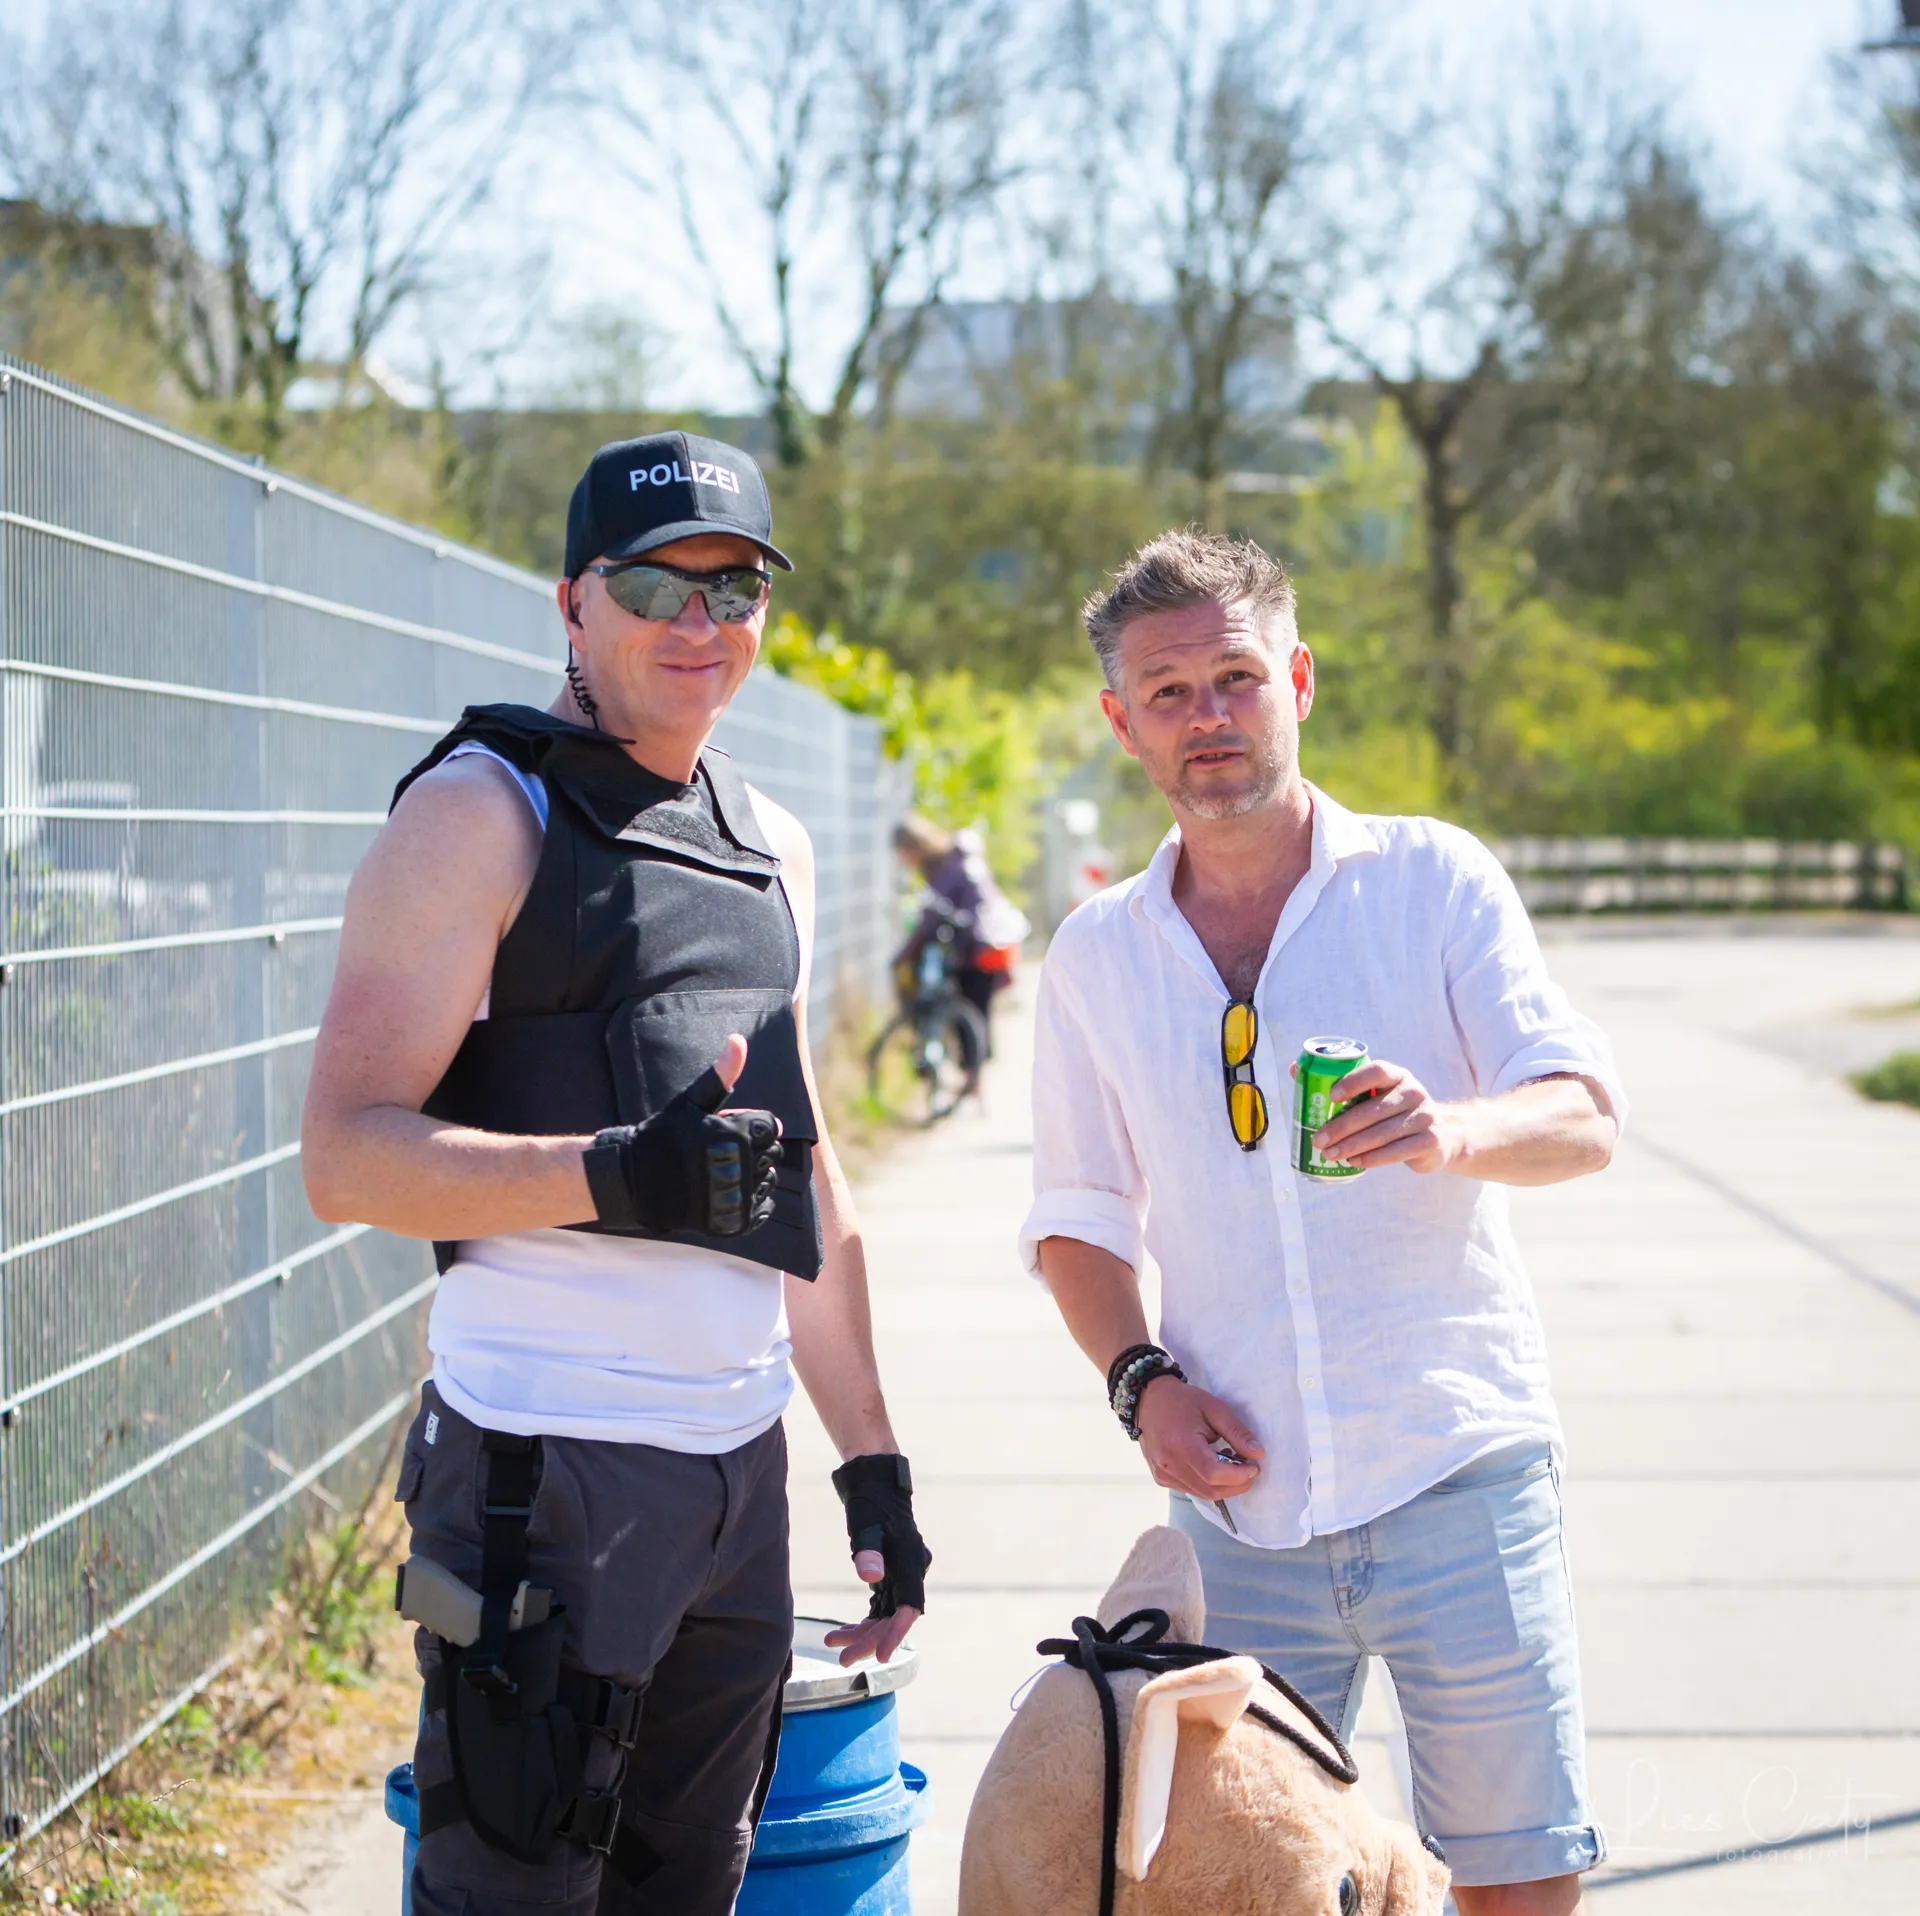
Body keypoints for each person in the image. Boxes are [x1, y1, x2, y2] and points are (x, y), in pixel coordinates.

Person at [301, 431, 931, 1916]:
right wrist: (613, 1174)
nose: (699, 623)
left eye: (736, 588)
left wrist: (872, 1458)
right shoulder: (483, 813)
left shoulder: (770, 841)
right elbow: (345, 1156)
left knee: (691, 1893)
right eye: (654, 586)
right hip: (543, 1471)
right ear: (572, 603)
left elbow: (806, 1179)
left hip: (735, 1484)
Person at [1020, 529, 1622, 1916]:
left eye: (1236, 676)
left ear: (1296, 680)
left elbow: (1584, 1113)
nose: (1208, 715)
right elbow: (1078, 1219)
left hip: (1456, 1471)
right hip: (1240, 1516)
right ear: (1122, 721)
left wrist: (1450, 1127)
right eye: (1168, 691)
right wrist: (1141, 1383)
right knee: (1237, 1890)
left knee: (1516, 1879)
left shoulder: (1431, 881)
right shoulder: (1099, 954)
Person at [892, 814, 1030, 1052]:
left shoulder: (947, 867)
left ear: (914, 846)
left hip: (980, 947)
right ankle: (975, 1068)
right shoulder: (956, 858)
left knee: (971, 1016)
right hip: (988, 941)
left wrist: (906, 952)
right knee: (977, 1015)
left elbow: (932, 916)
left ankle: (970, 1066)